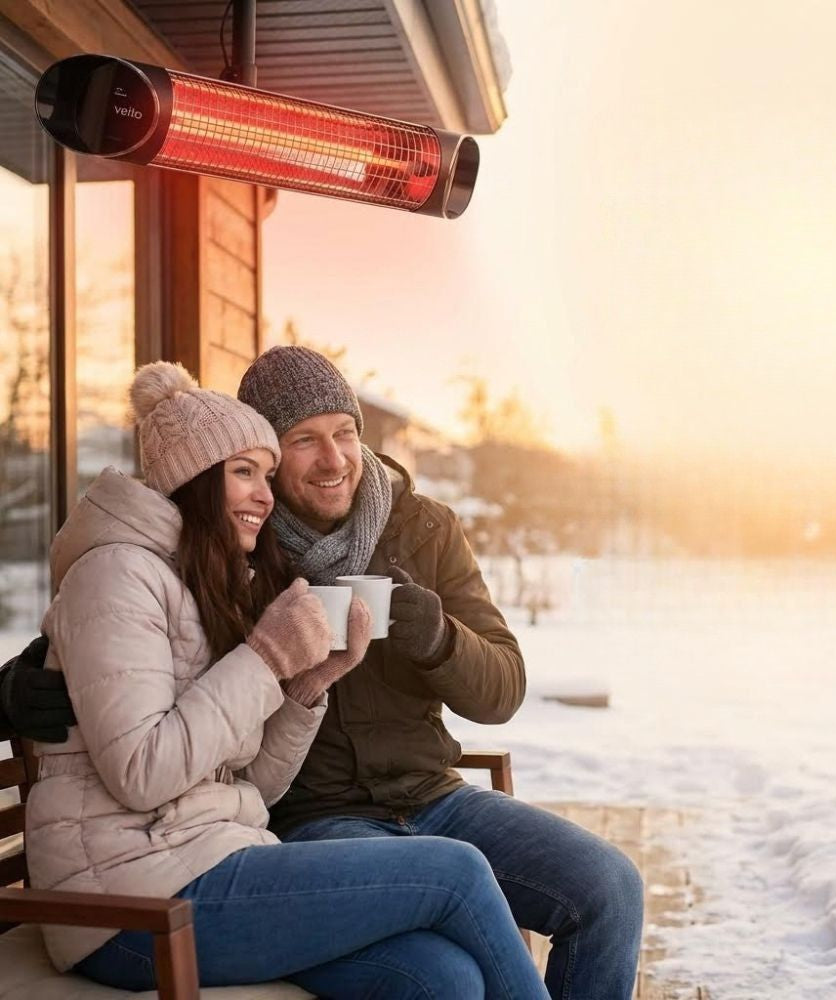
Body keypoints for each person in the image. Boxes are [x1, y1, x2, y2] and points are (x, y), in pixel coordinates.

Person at [4, 346, 644, 999]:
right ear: (207, 478)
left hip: (420, 795)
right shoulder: (233, 560)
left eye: (345, 433)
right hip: (307, 820)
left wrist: (433, 639)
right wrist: (15, 683)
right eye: (299, 444)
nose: (333, 458)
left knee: (601, 891)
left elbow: (503, 685)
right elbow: (107, 652)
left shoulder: (413, 530)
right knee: (456, 885)